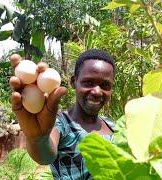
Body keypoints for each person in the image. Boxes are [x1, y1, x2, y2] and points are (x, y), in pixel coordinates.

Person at [9, 49, 116, 179]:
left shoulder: (112, 125)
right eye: (88, 82)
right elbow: (45, 156)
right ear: (73, 82)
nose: (97, 91)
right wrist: (38, 139)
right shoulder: (61, 123)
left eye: (105, 85)